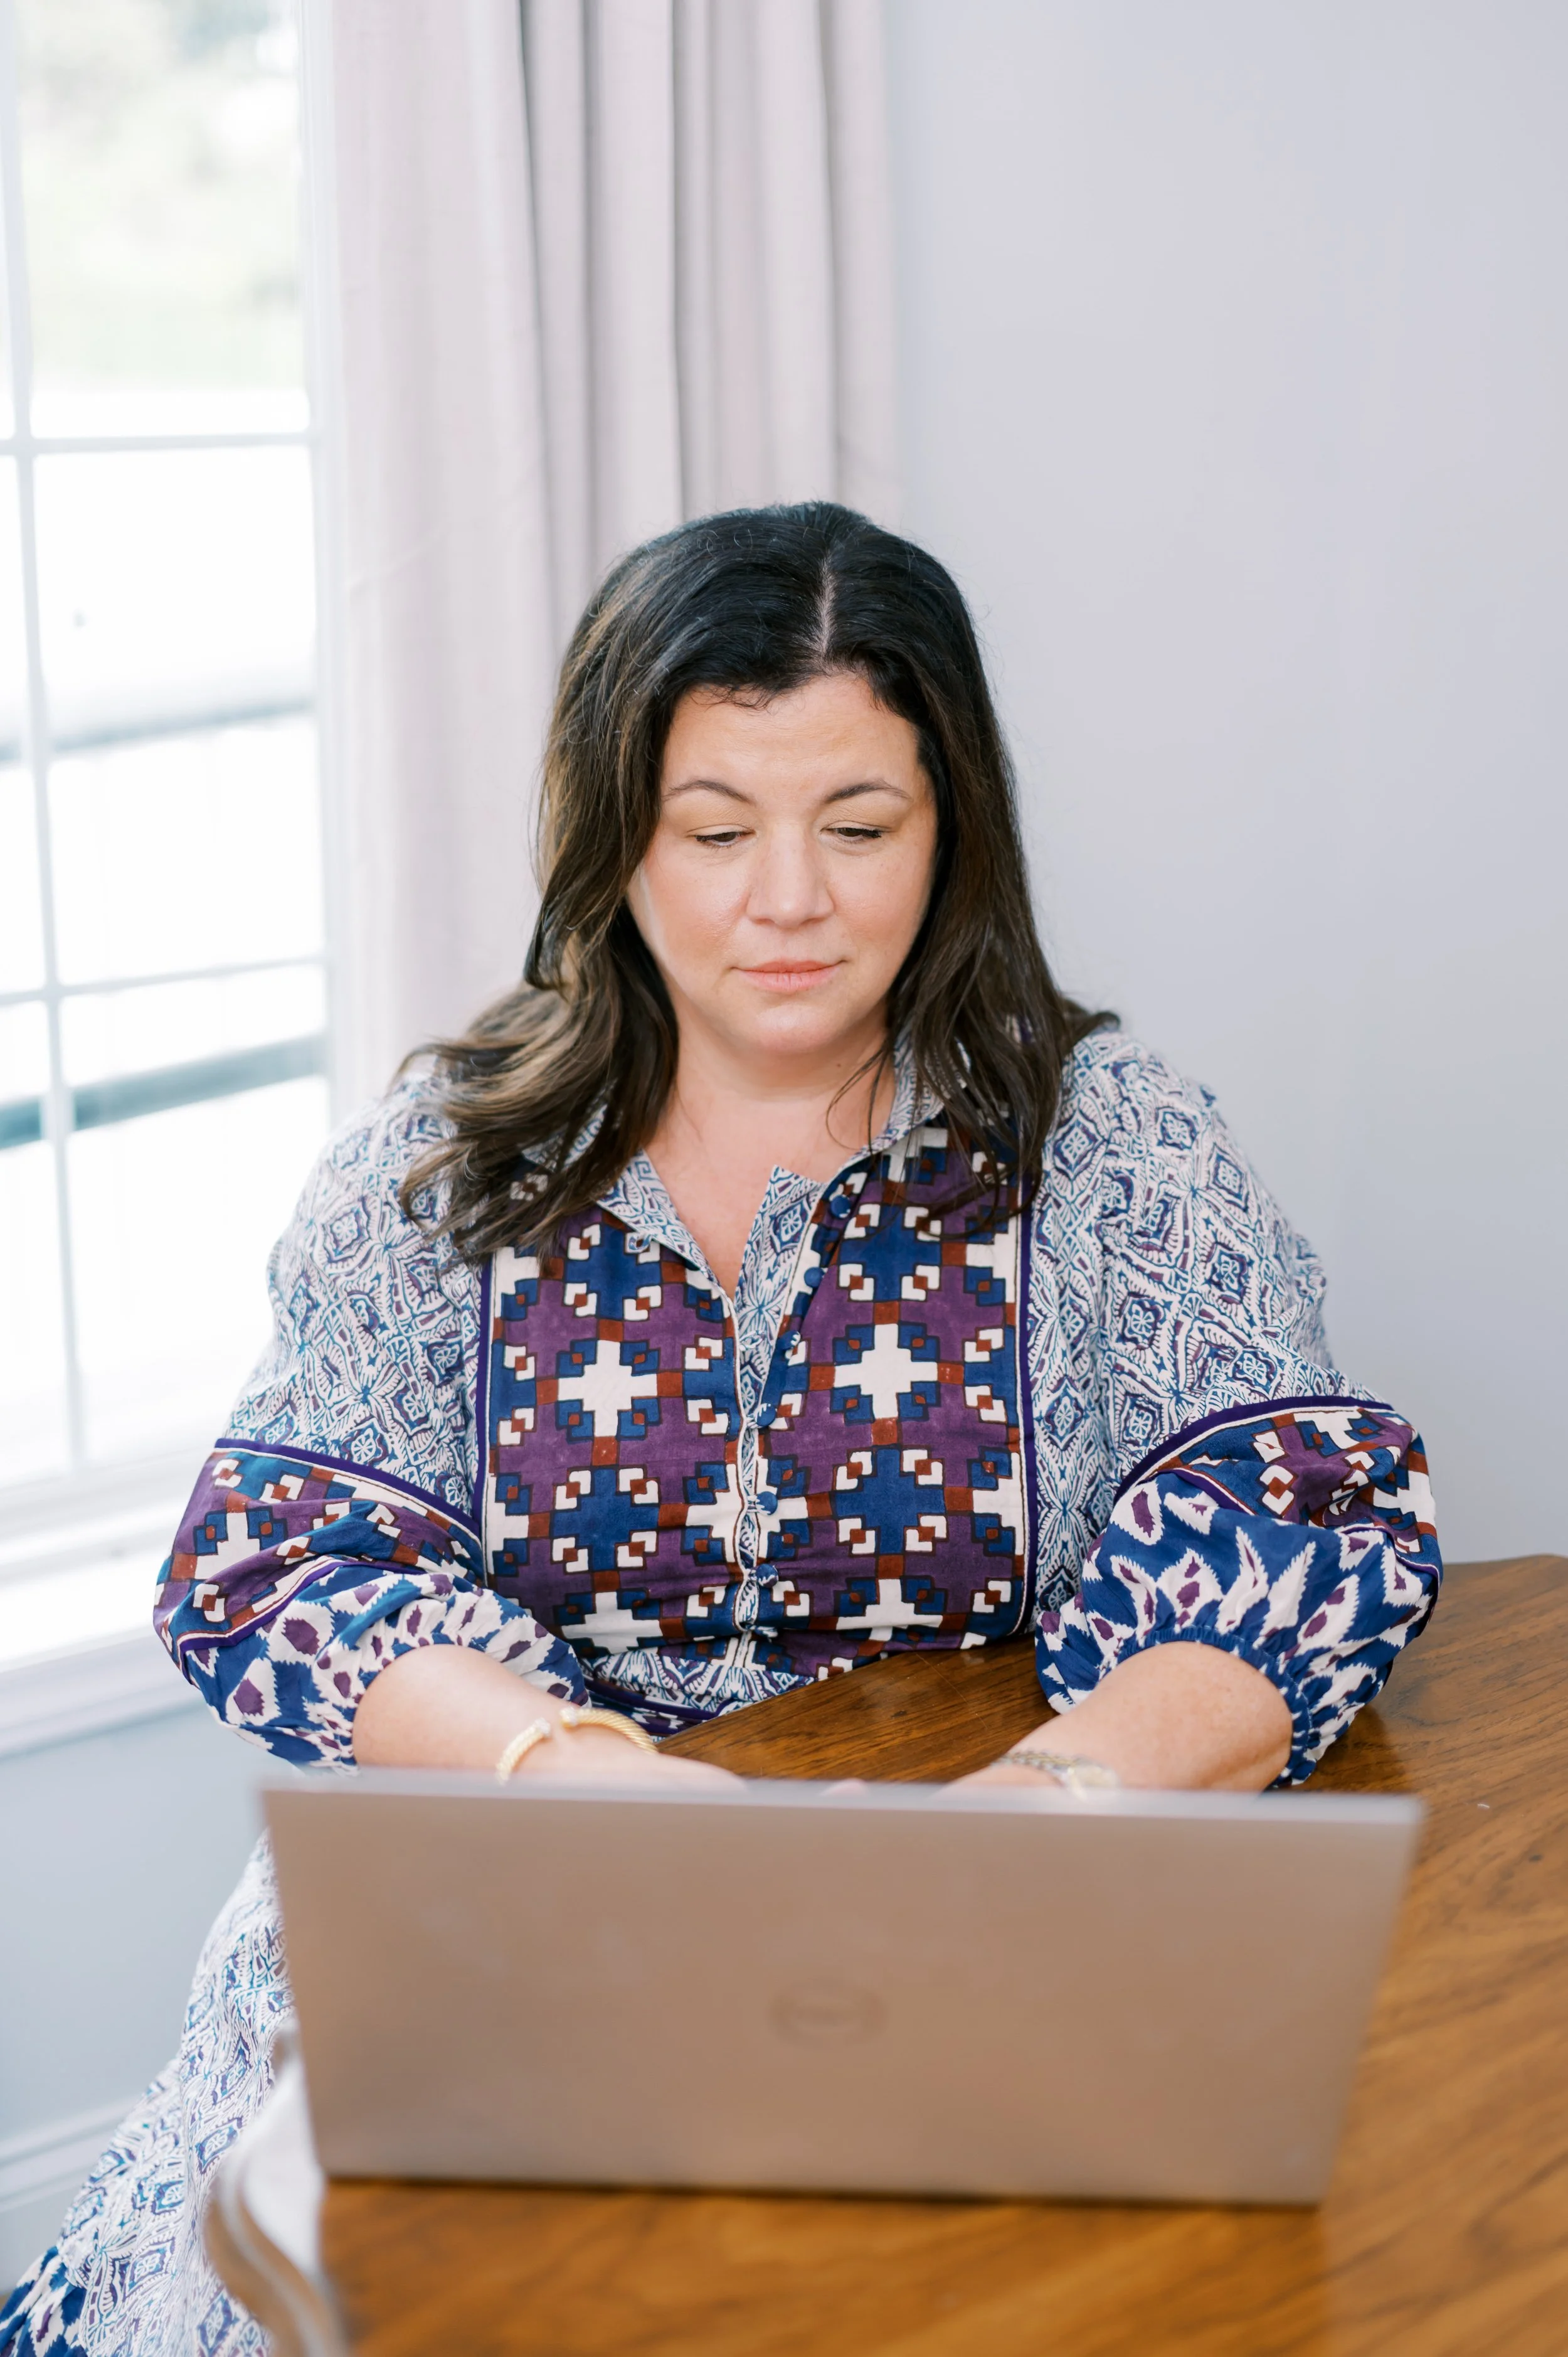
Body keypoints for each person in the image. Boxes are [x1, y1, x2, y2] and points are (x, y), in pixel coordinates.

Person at [1, 503, 1441, 2356]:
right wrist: (574, 1775)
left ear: (953, 829)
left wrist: (1041, 1814)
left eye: (859, 825)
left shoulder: (1106, 1147)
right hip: (518, 1897)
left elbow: (1298, 1536)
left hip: (986, 1917)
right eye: (714, 830)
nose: (790, 900)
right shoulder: (440, 1171)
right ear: (614, 838)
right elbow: (287, 1567)